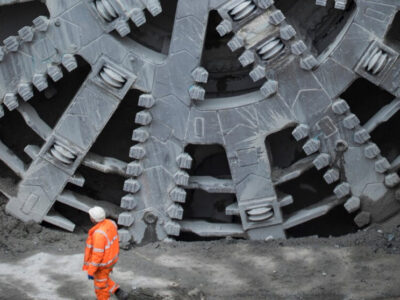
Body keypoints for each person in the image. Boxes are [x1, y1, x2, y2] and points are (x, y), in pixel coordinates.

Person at [83, 206, 129, 300]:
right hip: (111, 260)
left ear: (93, 219)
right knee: (103, 278)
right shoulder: (110, 224)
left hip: (102, 264)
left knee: (100, 286)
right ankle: (118, 291)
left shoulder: (99, 234)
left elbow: (97, 255)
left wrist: (91, 270)